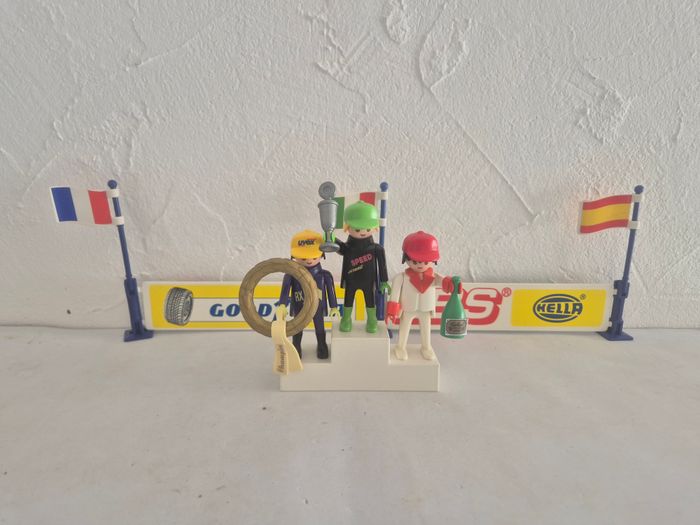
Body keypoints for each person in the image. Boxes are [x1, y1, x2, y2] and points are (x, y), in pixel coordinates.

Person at [386, 231, 461, 360]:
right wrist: (392, 309)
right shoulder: (402, 277)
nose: (420, 265)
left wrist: (453, 284)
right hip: (408, 308)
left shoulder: (433, 277)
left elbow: (445, 283)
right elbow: (395, 293)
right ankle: (400, 346)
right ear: (406, 258)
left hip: (426, 309)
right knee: (404, 327)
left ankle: (426, 347)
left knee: (426, 329)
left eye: (426, 262)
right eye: (415, 261)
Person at [279, 230, 339, 359]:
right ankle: (296, 346)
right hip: (299, 306)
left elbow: (331, 292)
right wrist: (282, 305)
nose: (309, 261)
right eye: (304, 258)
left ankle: (321, 345)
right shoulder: (291, 275)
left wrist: (334, 307)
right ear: (294, 256)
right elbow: (285, 290)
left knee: (319, 327)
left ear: (322, 255)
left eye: (314, 257)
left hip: (318, 307)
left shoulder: (325, 275)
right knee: (298, 327)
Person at [335, 201, 389, 333]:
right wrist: (331, 238)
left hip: (369, 281)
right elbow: (340, 247)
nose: (363, 232)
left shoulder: (376, 248)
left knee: (370, 300)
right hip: (351, 279)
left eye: (368, 229)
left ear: (375, 228)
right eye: (358, 229)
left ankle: (372, 320)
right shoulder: (347, 248)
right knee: (348, 299)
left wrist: (384, 281)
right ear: (348, 228)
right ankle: (346, 319)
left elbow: (382, 266)